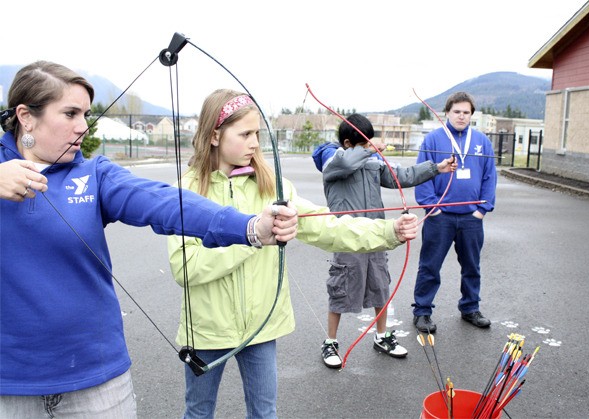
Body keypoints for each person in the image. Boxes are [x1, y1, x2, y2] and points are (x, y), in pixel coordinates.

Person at [0, 61, 300, 418]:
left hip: (97, 379)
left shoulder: (95, 174)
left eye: (86, 113)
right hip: (9, 383)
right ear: (26, 117)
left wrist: (251, 227)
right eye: (70, 113)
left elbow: (165, 203)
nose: (83, 126)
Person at [167, 89, 420, 419]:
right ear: (214, 135)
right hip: (206, 330)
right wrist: (253, 237)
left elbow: (327, 226)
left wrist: (388, 232)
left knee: (264, 413)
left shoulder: (272, 185)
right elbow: (186, 266)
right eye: (244, 134)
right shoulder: (188, 190)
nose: (255, 143)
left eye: (257, 133)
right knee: (198, 412)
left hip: (261, 327)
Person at [312, 113, 457, 368]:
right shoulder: (333, 160)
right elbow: (346, 165)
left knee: (380, 286)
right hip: (347, 236)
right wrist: (368, 151)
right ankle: (331, 342)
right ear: (347, 143)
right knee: (340, 287)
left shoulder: (371, 162)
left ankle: (381, 336)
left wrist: (437, 168)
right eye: (364, 142)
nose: (370, 147)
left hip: (376, 235)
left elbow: (401, 176)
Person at [411, 91, 497, 334]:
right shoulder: (433, 140)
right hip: (441, 218)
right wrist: (433, 208)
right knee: (430, 266)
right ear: (447, 112)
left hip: (472, 218)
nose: (461, 116)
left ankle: (470, 307)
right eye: (457, 111)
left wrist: (482, 209)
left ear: (472, 115)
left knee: (472, 266)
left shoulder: (482, 141)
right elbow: (423, 173)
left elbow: (490, 176)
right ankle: (422, 311)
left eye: (466, 112)